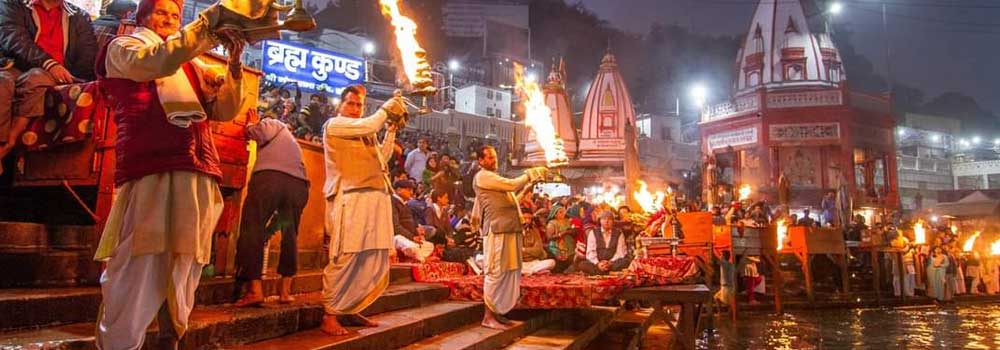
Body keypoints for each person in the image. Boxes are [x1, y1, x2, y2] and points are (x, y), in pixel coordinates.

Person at [91, 0, 247, 347]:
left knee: (185, 266)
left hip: (197, 169)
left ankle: (169, 339)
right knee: (139, 264)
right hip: (152, 169)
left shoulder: (191, 64)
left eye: (176, 16)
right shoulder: (125, 48)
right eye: (161, 12)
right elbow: (155, 62)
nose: (169, 20)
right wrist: (207, 27)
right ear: (142, 16)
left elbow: (224, 110)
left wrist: (234, 66)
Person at [320, 84, 408, 335]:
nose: (355, 108)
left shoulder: (365, 131)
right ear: (340, 105)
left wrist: (391, 129)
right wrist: (386, 109)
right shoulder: (334, 125)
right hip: (350, 199)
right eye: (350, 103)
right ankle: (330, 314)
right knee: (346, 256)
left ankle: (351, 307)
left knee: (370, 256)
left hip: (374, 199)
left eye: (359, 105)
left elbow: (383, 157)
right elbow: (369, 124)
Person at [0, 0, 98, 174]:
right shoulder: (12, 4)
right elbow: (13, 38)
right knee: (3, 81)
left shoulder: (79, 16)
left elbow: (87, 57)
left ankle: (8, 145)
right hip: (15, 66)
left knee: (36, 79)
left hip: (54, 75)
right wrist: (48, 63)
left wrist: (77, 81)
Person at [233, 116, 310, 307]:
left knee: (252, 228)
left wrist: (250, 125)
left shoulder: (274, 123)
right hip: (298, 184)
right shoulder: (292, 143)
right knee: (290, 234)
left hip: (269, 179)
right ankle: (285, 292)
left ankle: (255, 291)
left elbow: (262, 132)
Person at [471, 145, 546, 329]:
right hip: (497, 231)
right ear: (480, 161)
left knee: (508, 272)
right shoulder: (483, 176)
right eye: (489, 158)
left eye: (494, 157)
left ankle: (499, 314)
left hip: (510, 231)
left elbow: (513, 200)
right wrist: (529, 173)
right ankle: (488, 317)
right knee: (495, 272)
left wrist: (530, 184)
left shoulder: (495, 179)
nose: (493, 160)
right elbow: (512, 185)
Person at [391, 180, 433, 263]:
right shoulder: (392, 202)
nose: (411, 193)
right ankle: (421, 259)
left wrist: (417, 228)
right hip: (396, 237)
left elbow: (412, 221)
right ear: (399, 190)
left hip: (409, 237)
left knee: (429, 246)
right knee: (411, 247)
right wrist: (412, 237)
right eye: (408, 190)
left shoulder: (405, 204)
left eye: (412, 190)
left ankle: (417, 256)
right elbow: (395, 226)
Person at [577, 211, 630, 275]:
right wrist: (598, 263)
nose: (606, 221)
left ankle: (601, 272)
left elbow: (620, 252)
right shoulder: (593, 232)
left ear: (613, 221)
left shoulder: (619, 233)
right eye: (604, 219)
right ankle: (606, 272)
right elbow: (591, 251)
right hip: (598, 263)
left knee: (626, 261)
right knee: (582, 264)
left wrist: (610, 262)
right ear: (600, 221)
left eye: (609, 219)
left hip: (612, 263)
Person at [521, 208, 555, 275]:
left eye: (529, 218)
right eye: (525, 218)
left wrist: (524, 250)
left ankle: (528, 272)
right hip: (520, 263)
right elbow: (516, 252)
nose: (527, 221)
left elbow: (538, 251)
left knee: (552, 262)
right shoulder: (514, 232)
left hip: (534, 262)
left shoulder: (534, 230)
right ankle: (535, 271)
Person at [545, 206, 576, 273]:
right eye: (560, 212)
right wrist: (561, 234)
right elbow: (549, 237)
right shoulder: (552, 223)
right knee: (560, 262)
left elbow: (572, 230)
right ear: (555, 214)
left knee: (571, 258)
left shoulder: (567, 221)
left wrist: (571, 231)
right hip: (557, 245)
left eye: (563, 212)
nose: (563, 214)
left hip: (569, 244)